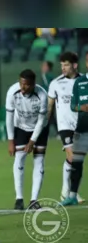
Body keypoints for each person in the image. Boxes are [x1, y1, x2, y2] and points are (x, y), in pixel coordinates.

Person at [5, 69, 49, 210]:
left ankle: (34, 200)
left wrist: (32, 141)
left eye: (27, 85)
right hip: (21, 128)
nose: (23, 87)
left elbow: (41, 121)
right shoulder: (12, 92)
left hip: (39, 129)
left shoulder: (42, 95)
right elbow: (9, 117)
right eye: (21, 83)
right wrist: (11, 140)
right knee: (19, 159)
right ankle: (19, 199)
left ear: (33, 84)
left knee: (39, 161)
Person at [47, 52, 85, 204]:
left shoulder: (84, 81)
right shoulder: (55, 83)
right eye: (61, 65)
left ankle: (71, 191)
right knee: (72, 156)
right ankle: (67, 192)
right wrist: (44, 123)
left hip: (82, 124)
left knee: (77, 161)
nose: (63, 68)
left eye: (66, 65)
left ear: (74, 65)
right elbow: (50, 106)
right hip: (65, 126)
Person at [61, 53, 88, 206]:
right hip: (82, 129)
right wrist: (81, 107)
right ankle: (72, 196)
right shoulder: (80, 82)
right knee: (76, 164)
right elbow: (73, 105)